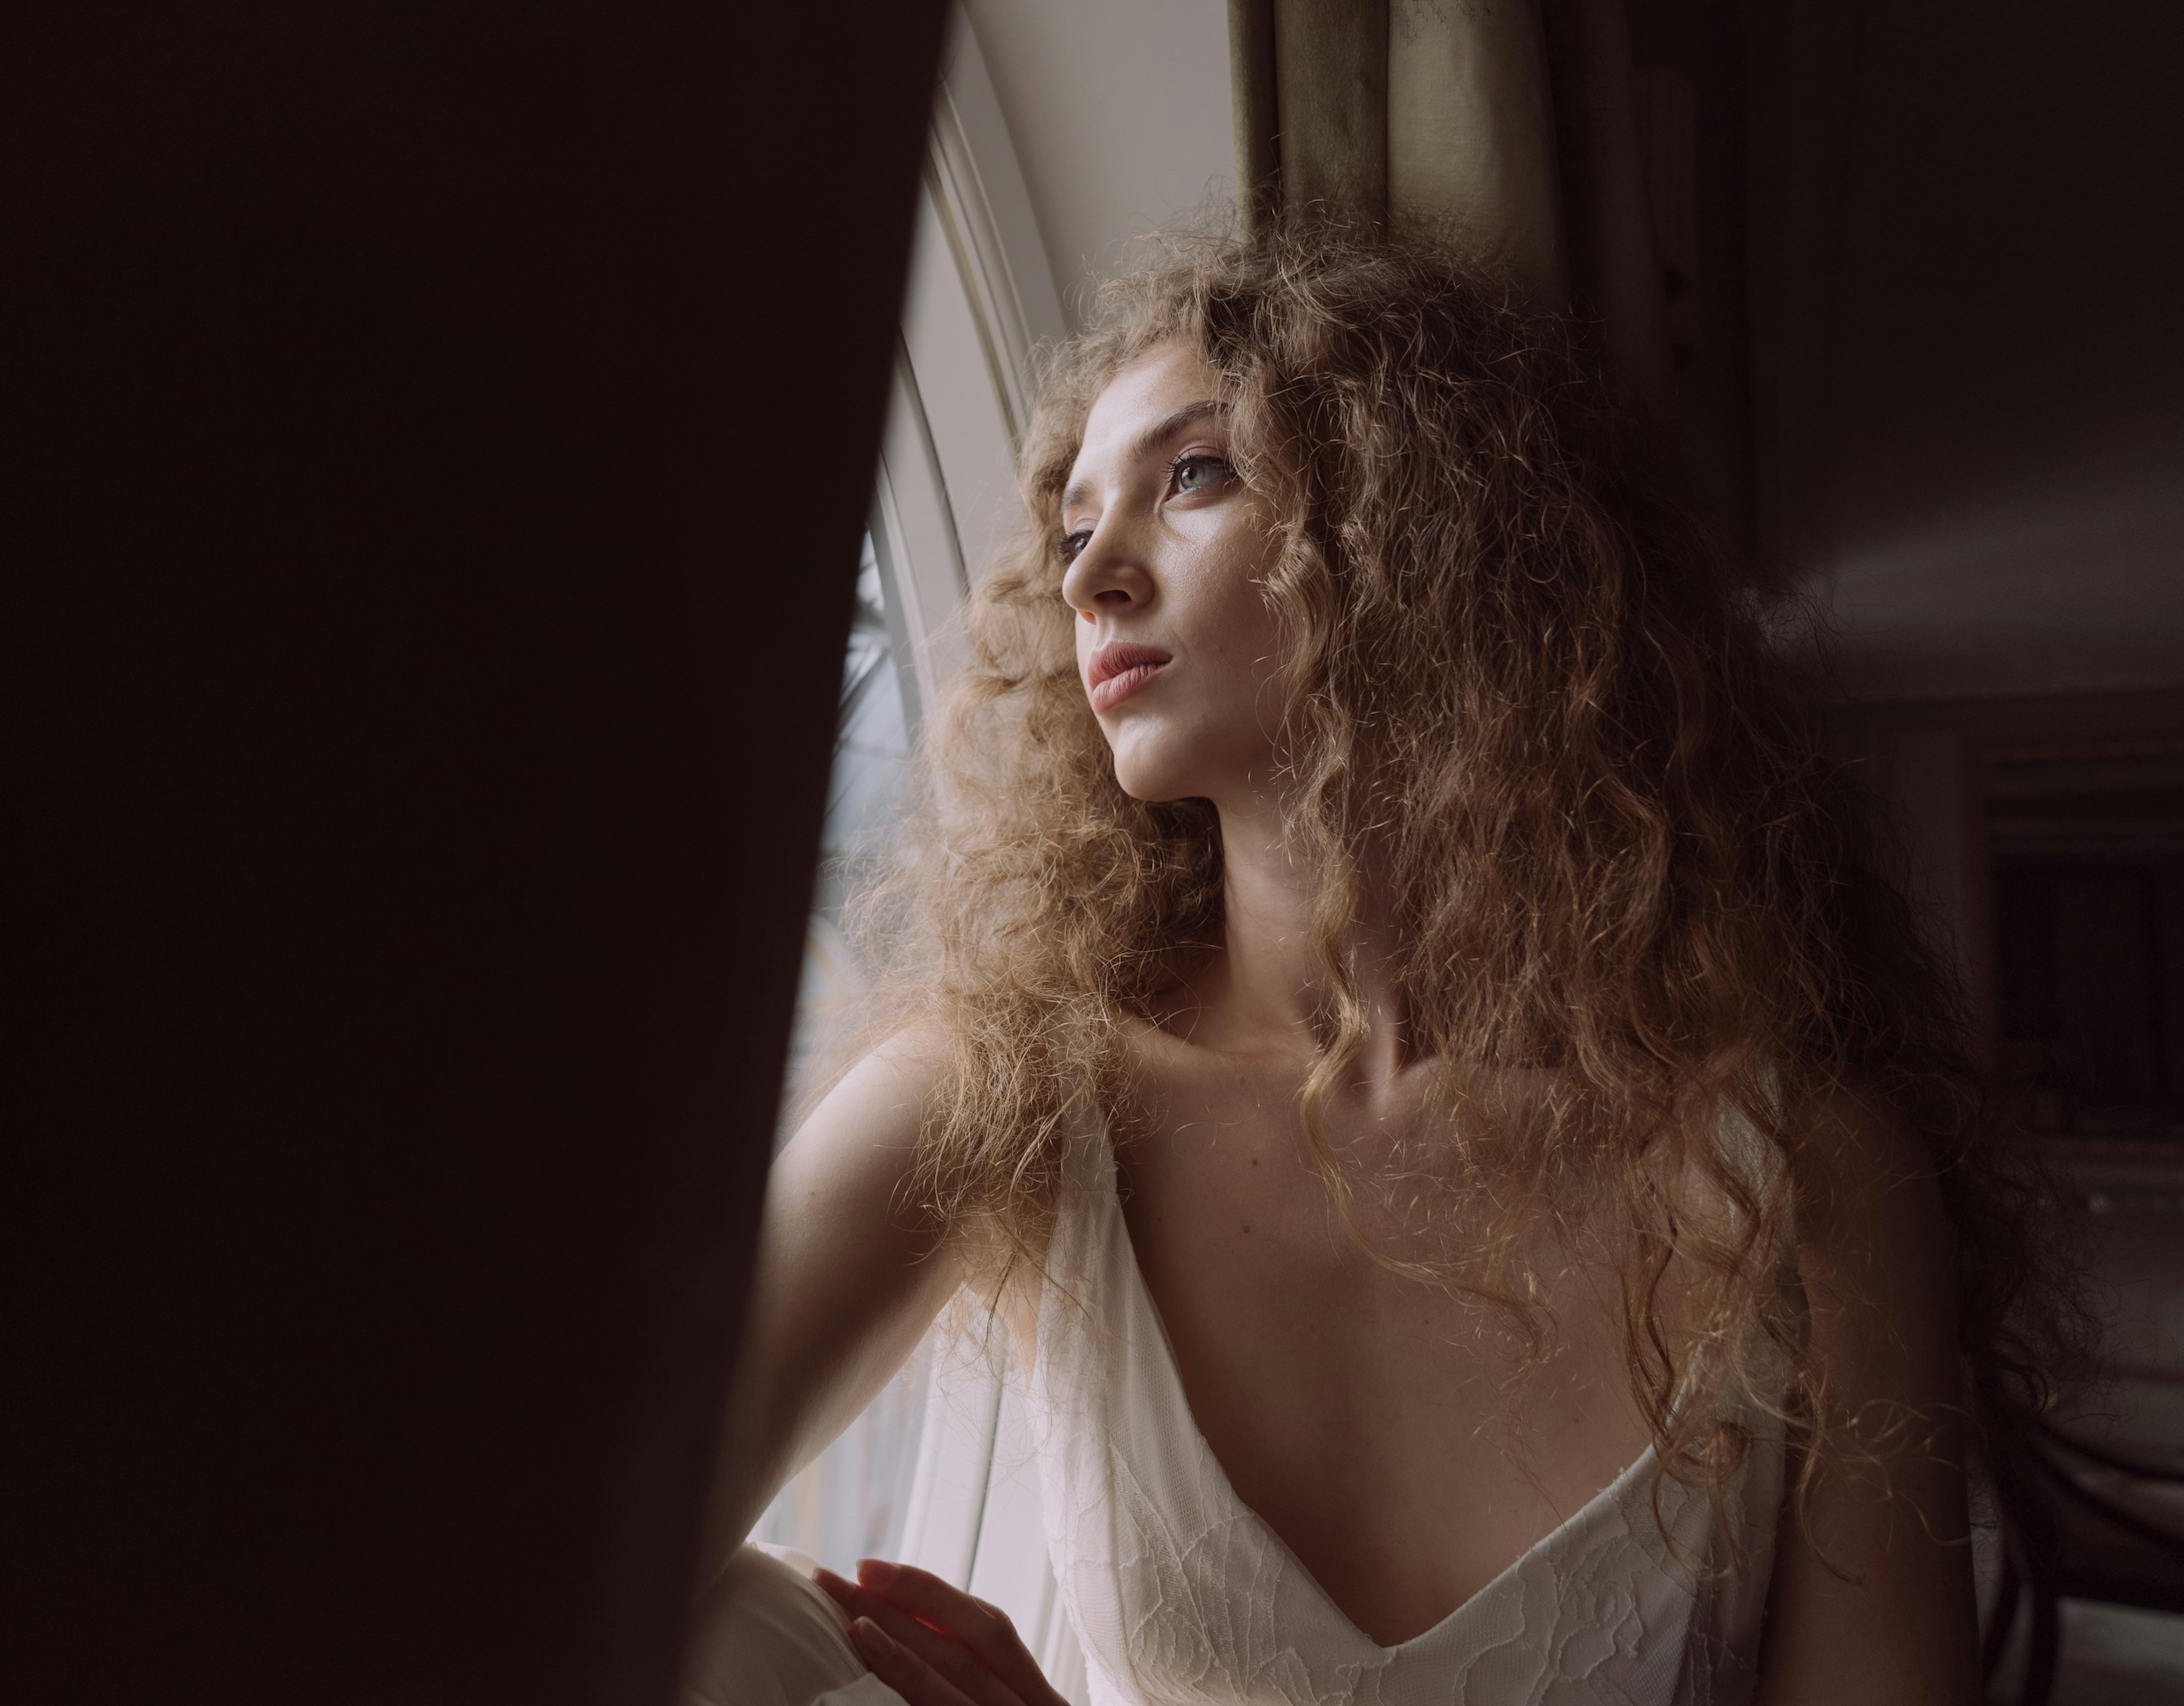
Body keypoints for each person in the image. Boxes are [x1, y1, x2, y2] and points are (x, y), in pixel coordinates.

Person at [680, 208, 2097, 1705]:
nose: (1091, 580)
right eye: (1075, 530)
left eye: (1194, 474)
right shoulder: (1006, 1093)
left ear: (1421, 528)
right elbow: (555, 1531)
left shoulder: (1805, 1178)